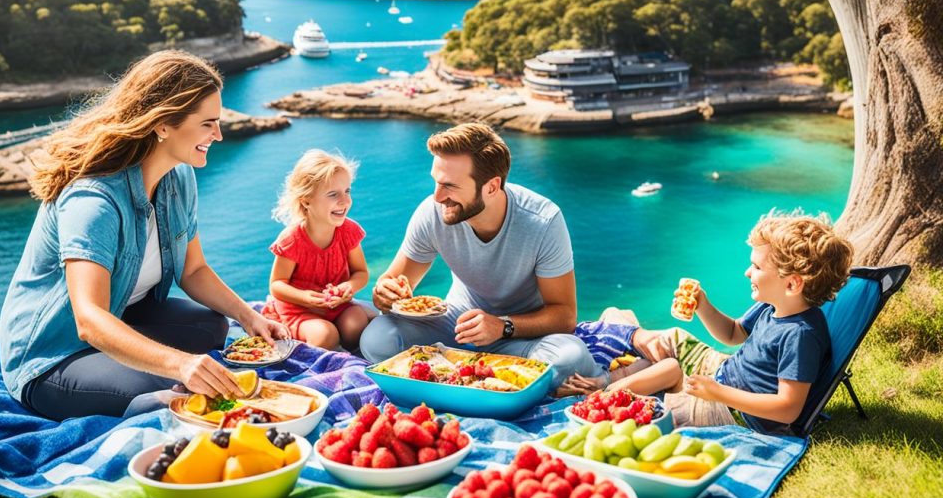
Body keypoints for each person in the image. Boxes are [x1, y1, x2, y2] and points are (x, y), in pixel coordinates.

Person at [0, 50, 288, 421]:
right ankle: (123, 375)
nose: (218, 134)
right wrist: (181, 365)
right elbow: (88, 318)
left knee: (214, 325)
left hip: (123, 315)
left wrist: (250, 318)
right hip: (53, 354)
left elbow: (194, 270)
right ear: (163, 124)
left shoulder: (179, 176)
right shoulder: (94, 199)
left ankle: (130, 360)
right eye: (207, 124)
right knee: (152, 385)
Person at [560, 212, 853, 435]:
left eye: (757, 267)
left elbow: (787, 410)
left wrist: (717, 393)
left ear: (792, 284)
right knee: (669, 341)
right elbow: (732, 333)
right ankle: (613, 378)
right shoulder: (773, 307)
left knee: (669, 371)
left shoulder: (800, 336)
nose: (747, 273)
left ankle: (601, 391)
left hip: (732, 412)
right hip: (723, 376)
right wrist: (702, 304)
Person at [359, 123, 601, 389]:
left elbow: (565, 317)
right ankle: (494, 377)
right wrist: (384, 293)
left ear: (491, 186)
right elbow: (395, 283)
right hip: (457, 324)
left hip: (519, 335)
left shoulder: (543, 222)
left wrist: (502, 326)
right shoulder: (433, 212)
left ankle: (452, 371)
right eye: (436, 182)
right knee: (377, 338)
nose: (437, 196)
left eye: (449, 186)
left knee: (572, 358)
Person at [261, 150, 371, 350]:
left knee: (356, 324)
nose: (345, 200)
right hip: (299, 310)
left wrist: (348, 288)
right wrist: (305, 297)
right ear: (306, 201)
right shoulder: (292, 239)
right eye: (333, 194)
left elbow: (361, 273)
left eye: (347, 191)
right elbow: (277, 285)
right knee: (325, 335)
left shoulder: (349, 231)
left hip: (337, 306)